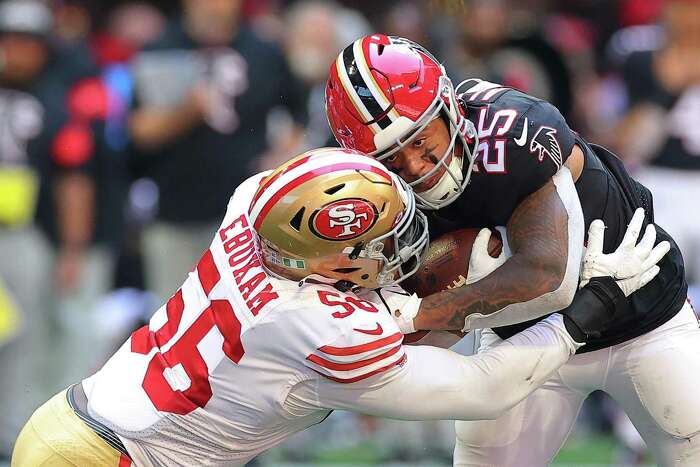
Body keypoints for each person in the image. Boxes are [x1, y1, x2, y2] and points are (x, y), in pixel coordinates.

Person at [11, 148, 663, 466]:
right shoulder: (315, 323)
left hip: (80, 420)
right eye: (377, 239)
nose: (400, 243)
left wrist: (436, 303)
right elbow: (481, 388)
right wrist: (588, 310)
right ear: (331, 262)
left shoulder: (253, 208)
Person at [325, 34, 696, 466]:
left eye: (422, 140)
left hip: (639, 312)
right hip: (525, 337)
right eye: (391, 159)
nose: (416, 167)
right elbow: (429, 331)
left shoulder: (511, 133)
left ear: (447, 108)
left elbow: (544, 275)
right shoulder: (370, 200)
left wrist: (413, 313)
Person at [129, 0, 308, 303]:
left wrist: (281, 158)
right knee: (174, 316)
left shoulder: (263, 50)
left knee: (246, 314)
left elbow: (299, 110)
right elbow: (140, 131)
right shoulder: (161, 49)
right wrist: (188, 112)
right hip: (175, 211)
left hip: (248, 217)